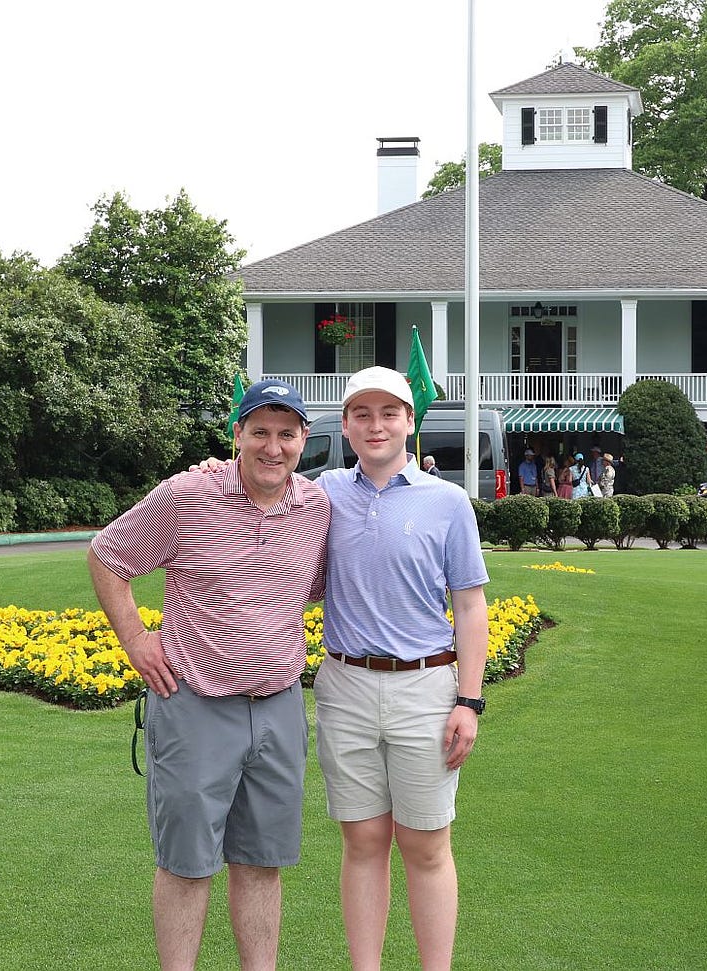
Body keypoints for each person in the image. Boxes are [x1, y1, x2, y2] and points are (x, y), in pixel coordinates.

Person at [88, 379, 329, 971]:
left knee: (261, 862)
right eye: (260, 432)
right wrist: (136, 639)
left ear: (304, 440)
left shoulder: (316, 507)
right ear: (237, 435)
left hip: (277, 707)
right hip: (195, 704)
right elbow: (107, 553)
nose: (273, 447)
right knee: (187, 863)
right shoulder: (189, 495)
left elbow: (320, 584)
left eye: (287, 434)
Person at [314, 365, 490, 971]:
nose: (376, 425)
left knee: (425, 844)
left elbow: (469, 605)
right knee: (363, 841)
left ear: (410, 423)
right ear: (344, 425)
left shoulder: (448, 501)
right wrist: (216, 467)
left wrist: (469, 703)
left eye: (389, 413)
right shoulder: (323, 493)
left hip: (427, 687)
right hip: (345, 686)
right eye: (361, 414)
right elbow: (254, 483)